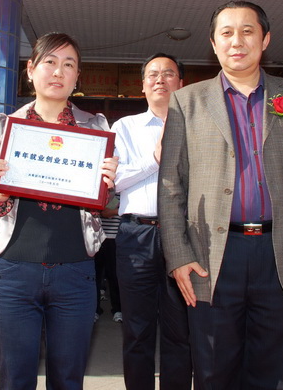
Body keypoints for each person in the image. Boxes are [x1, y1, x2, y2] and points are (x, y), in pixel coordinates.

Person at [158, 1, 283, 390]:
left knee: (279, 373)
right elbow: (170, 185)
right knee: (213, 371)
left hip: (281, 254)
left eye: (247, 31)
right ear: (213, 43)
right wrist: (179, 256)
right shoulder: (187, 101)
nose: (237, 41)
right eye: (226, 33)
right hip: (212, 257)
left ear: (265, 40)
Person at [0, 32, 118, 390]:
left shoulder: (96, 128)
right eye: (50, 62)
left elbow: (109, 205)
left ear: (77, 76)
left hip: (76, 271)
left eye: (69, 65)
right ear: (31, 69)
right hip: (14, 270)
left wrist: (107, 186)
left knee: (68, 378)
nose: (58, 72)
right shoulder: (6, 126)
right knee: (15, 378)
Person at [113, 53, 192, 390]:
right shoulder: (124, 127)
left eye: (169, 74)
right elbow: (114, 182)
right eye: (153, 74)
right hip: (137, 235)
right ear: (143, 85)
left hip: (184, 237)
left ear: (181, 84)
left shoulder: (195, 126)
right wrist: (154, 159)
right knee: (137, 330)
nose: (160, 79)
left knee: (180, 330)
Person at [94, 194, 122, 323]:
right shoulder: (100, 189)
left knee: (115, 276)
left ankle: (118, 309)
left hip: (115, 238)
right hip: (97, 237)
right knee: (95, 275)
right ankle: (95, 309)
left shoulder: (122, 190)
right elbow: (104, 212)